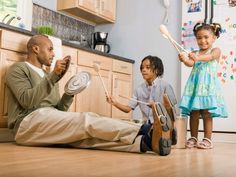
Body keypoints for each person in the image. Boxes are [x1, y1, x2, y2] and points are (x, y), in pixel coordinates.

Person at [5, 35, 173, 156]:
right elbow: (27, 101)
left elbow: (59, 109)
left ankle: (147, 143)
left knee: (87, 138)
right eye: (50, 49)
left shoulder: (49, 75)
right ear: (35, 48)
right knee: (85, 120)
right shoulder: (19, 69)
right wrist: (53, 77)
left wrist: (70, 93)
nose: (53, 54)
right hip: (26, 125)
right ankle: (147, 129)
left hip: (46, 121)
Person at [106, 55, 177, 145]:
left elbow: (172, 111)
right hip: (146, 125)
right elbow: (128, 109)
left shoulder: (166, 86)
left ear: (157, 70)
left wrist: (157, 107)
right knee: (129, 129)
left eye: (148, 67)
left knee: (139, 133)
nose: (144, 70)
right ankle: (152, 139)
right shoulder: (139, 89)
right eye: (142, 68)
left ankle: (159, 137)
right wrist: (115, 103)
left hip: (161, 124)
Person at [178, 22, 228, 149]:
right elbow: (190, 63)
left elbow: (210, 57)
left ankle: (207, 139)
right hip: (195, 87)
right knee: (194, 112)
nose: (202, 40)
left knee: (207, 113)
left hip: (208, 87)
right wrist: (184, 59)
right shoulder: (195, 52)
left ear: (214, 38)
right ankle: (193, 137)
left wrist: (197, 57)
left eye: (206, 37)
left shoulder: (215, 50)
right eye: (199, 38)